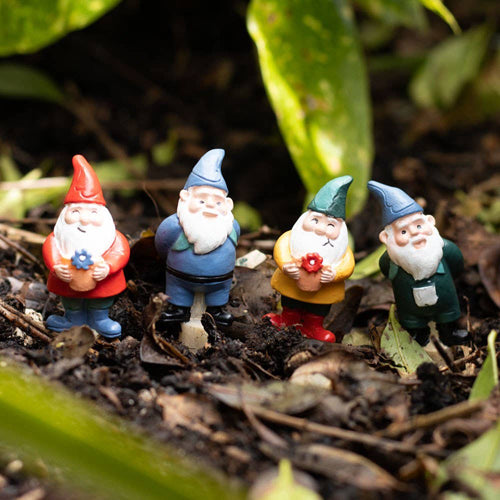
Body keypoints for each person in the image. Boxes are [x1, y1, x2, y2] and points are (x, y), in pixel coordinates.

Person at [368, 180, 468, 346]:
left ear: (430, 221)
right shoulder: (390, 259)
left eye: (419, 226)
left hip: (445, 299)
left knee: (447, 314)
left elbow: (457, 263)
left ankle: (449, 331)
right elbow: (386, 270)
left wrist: (450, 278)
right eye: (403, 231)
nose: (415, 233)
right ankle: (418, 334)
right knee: (412, 319)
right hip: (409, 305)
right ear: (386, 238)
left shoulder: (445, 248)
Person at [43, 155, 130, 339]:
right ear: (64, 214)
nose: (84, 219)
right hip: (67, 280)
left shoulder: (112, 237)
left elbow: (120, 252)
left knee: (101, 299)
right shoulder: (58, 237)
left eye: (92, 212)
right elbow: (51, 248)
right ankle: (73, 318)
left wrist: (108, 267)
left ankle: (99, 319)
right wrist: (56, 267)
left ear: (104, 214)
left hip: (103, 281)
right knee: (70, 299)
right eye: (76, 211)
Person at [155, 149, 239, 327]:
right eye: (201, 200)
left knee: (218, 294)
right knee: (179, 292)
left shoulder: (231, 227)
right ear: (185, 197)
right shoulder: (174, 226)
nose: (210, 205)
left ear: (228, 204)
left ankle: (216, 310)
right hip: (180, 278)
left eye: (218, 202)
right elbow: (162, 245)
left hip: (219, 281)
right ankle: (178, 309)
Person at [265, 176, 355, 342]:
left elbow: (347, 265)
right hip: (292, 283)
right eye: (315, 220)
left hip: (324, 290)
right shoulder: (290, 238)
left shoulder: (341, 249)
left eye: (330, 225)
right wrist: (286, 265)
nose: (320, 229)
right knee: (290, 302)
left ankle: (314, 327)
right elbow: (281, 249)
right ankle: (287, 319)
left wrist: (335, 274)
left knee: (318, 309)